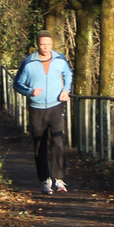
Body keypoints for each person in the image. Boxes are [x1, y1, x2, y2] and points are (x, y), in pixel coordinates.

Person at [13, 32, 72, 194]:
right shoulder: (29, 63)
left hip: (56, 105)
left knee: (58, 142)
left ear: (52, 44)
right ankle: (45, 179)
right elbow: (17, 84)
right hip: (37, 108)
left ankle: (59, 179)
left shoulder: (60, 59)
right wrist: (30, 92)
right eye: (42, 44)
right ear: (37, 45)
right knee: (40, 144)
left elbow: (68, 75)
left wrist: (66, 90)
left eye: (48, 44)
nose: (46, 47)